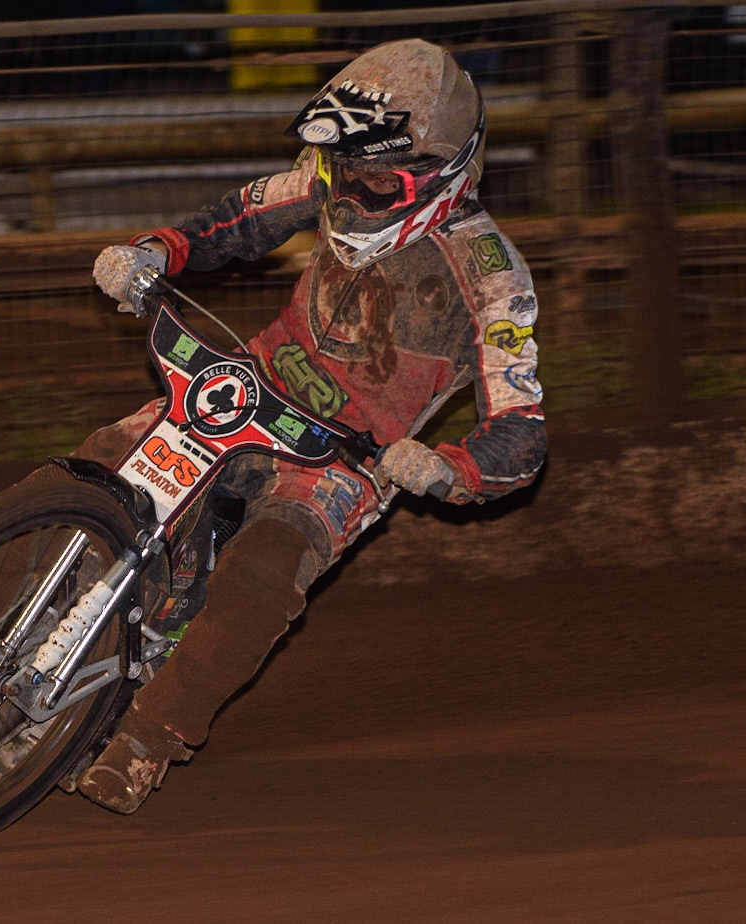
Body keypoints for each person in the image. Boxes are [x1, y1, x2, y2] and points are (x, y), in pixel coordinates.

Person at [74, 38, 547, 814]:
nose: (350, 192)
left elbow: (522, 432)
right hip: (245, 387)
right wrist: (151, 252)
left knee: (262, 575)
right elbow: (231, 223)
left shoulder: (491, 277)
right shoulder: (322, 184)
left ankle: (144, 741)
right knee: (98, 466)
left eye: (371, 177)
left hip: (342, 457)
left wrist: (445, 469)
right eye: (341, 171)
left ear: (438, 171)